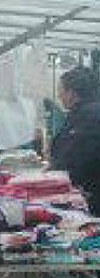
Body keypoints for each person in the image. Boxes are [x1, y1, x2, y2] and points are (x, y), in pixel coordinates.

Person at [51, 67, 100, 214]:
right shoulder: (84, 112)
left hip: (92, 193)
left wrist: (49, 176)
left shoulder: (88, 115)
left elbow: (77, 157)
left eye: (60, 90)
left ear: (72, 93)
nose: (59, 96)